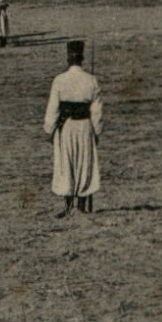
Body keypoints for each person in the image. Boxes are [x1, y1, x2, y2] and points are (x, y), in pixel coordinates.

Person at [43, 40, 103, 217]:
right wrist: (97, 131)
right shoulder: (91, 80)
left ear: (68, 59)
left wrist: (49, 128)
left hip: (66, 127)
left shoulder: (59, 80)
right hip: (85, 126)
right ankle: (82, 205)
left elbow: (53, 108)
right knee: (84, 162)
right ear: (82, 59)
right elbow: (97, 111)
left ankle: (69, 205)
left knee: (66, 162)